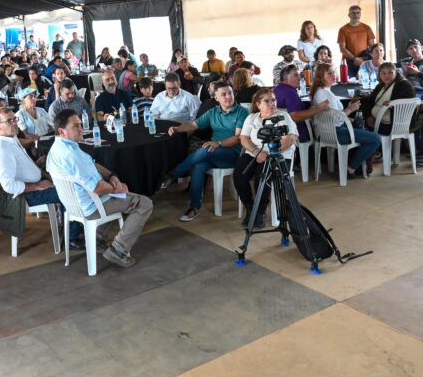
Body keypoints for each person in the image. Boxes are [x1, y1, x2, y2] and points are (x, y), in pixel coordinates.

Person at [46, 110, 154, 268]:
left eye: (80, 125)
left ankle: (97, 239)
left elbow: (93, 163)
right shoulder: (70, 154)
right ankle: (119, 250)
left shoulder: (59, 147)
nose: (81, 129)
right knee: (144, 204)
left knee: (116, 194)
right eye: (76, 126)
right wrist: (117, 188)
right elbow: (97, 188)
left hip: (75, 204)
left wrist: (111, 176)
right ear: (62, 131)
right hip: (92, 205)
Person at [0, 108, 83, 247]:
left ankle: (69, 222)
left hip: (34, 182)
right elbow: (9, 186)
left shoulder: (10, 139)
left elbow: (19, 167)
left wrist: (36, 167)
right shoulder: (2, 150)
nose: (15, 123)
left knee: (66, 173)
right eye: (9, 121)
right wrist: (38, 186)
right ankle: (71, 238)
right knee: (70, 191)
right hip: (26, 194)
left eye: (15, 119)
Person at [166, 81, 249, 222]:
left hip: (233, 154)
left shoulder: (242, 112)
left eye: (230, 93)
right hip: (214, 151)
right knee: (199, 166)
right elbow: (193, 125)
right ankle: (195, 207)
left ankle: (174, 173)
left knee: (205, 150)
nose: (228, 97)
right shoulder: (213, 112)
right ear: (216, 98)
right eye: (223, 94)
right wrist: (177, 129)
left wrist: (218, 143)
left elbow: (238, 138)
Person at [233, 89, 299, 228]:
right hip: (255, 152)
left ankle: (260, 211)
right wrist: (257, 152)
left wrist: (271, 154)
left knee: (262, 175)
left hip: (279, 155)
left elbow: (290, 138)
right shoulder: (252, 118)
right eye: (267, 101)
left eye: (273, 100)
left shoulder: (283, 116)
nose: (272, 104)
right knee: (239, 173)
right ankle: (250, 207)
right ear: (258, 104)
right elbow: (243, 138)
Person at [310, 64, 381, 178]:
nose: (333, 75)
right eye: (329, 73)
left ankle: (359, 166)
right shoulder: (323, 93)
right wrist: (351, 109)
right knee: (375, 139)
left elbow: (330, 115)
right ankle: (350, 168)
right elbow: (336, 118)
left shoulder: (324, 91)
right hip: (332, 132)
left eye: (333, 72)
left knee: (362, 128)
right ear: (320, 77)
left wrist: (349, 115)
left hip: (331, 129)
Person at [273, 64, 330, 142]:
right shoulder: (290, 93)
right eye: (296, 75)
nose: (299, 78)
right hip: (298, 134)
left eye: (299, 75)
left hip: (282, 132)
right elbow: (295, 116)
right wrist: (319, 108)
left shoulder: (277, 89)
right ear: (285, 79)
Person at [362, 62, 417, 135]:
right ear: (379, 75)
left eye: (390, 72)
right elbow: (369, 101)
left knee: (358, 128)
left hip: (393, 126)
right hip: (375, 121)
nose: (386, 76)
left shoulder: (404, 85)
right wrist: (368, 117)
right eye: (383, 73)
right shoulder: (380, 86)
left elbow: (409, 103)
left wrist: (393, 104)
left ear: (396, 73)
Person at [338, 5, 376, 78]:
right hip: (349, 61)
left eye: (358, 13)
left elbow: (372, 46)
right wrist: (354, 58)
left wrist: (363, 59)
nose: (356, 15)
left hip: (364, 60)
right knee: (350, 82)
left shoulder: (367, 28)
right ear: (349, 15)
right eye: (353, 13)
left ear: (360, 14)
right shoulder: (343, 29)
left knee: (365, 80)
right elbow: (342, 48)